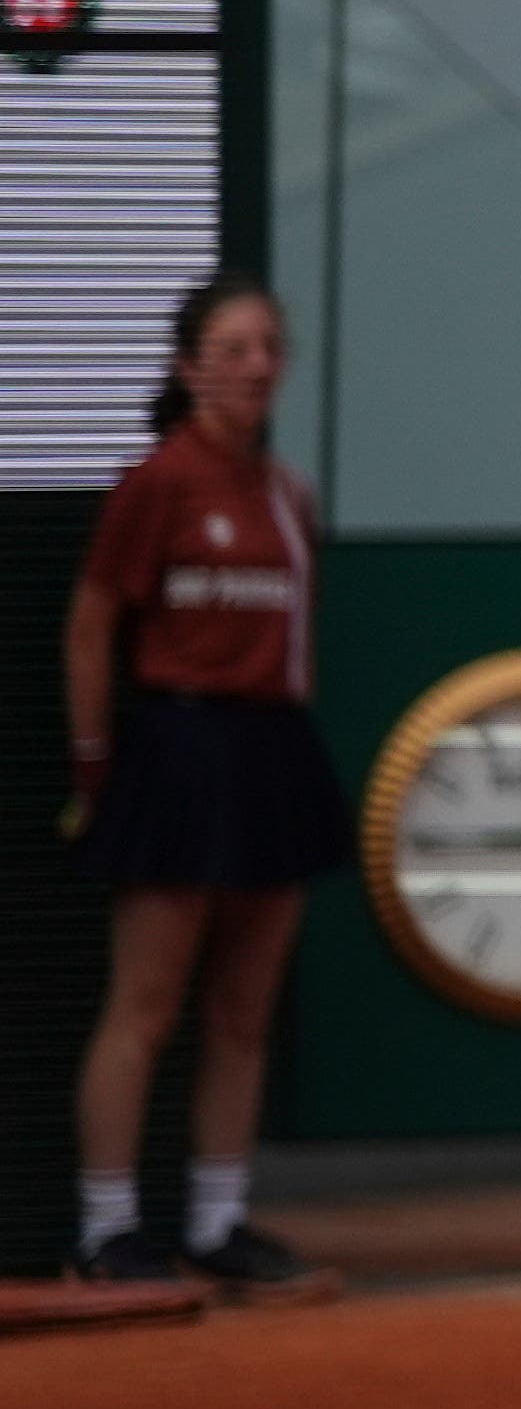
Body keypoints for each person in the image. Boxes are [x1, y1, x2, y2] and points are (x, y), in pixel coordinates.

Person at [60, 280, 328, 1295]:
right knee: (147, 1003)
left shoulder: (289, 495)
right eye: (232, 347)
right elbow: (90, 625)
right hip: (176, 747)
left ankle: (217, 1221)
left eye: (269, 345)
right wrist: (94, 766)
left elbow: (300, 635)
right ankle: (106, 1229)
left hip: (272, 750)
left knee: (244, 1010)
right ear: (188, 367)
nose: (256, 363)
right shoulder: (158, 484)